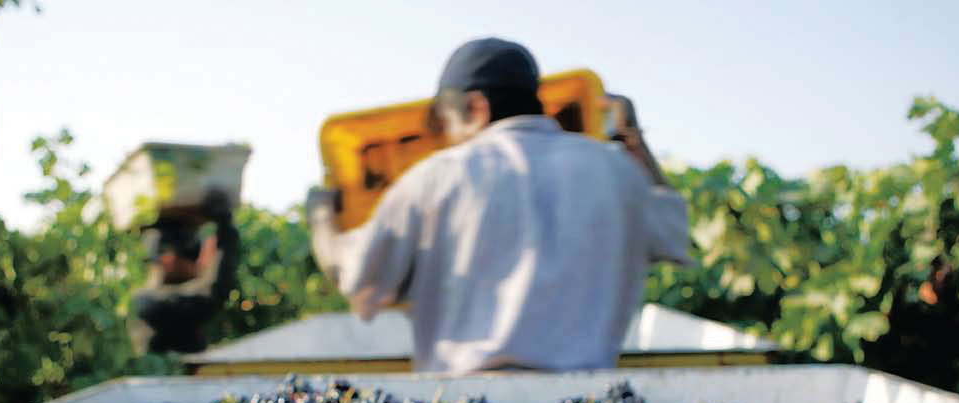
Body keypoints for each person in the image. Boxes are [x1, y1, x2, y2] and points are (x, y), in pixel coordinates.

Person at [306, 37, 694, 374]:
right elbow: (676, 235)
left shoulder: (437, 176)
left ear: (476, 108)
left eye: (446, 125)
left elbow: (354, 274)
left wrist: (322, 215)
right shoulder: (615, 170)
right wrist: (635, 141)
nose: (449, 140)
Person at [129, 189, 241, 354]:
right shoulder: (149, 302)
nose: (199, 264)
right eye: (192, 256)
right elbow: (212, 292)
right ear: (169, 259)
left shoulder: (149, 299)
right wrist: (226, 230)